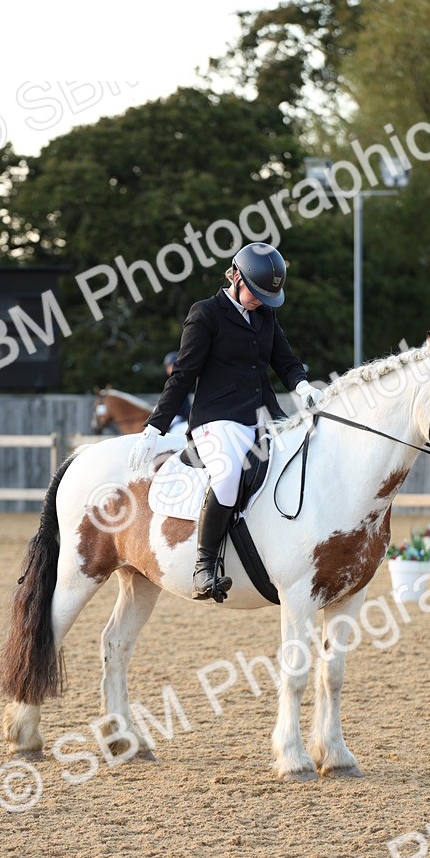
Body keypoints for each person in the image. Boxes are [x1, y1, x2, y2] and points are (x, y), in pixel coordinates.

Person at [129, 242, 323, 600]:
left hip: (264, 415)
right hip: (217, 420)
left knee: (306, 456)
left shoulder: (265, 314)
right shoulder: (206, 314)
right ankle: (205, 566)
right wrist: (154, 427)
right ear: (235, 276)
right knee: (230, 472)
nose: (260, 302)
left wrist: (302, 385)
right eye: (256, 293)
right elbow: (183, 375)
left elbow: (285, 360)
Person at [163, 351, 191, 431]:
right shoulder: (171, 381)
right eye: (168, 366)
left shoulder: (178, 382)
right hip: (179, 416)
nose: (169, 368)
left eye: (171, 365)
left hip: (181, 417)